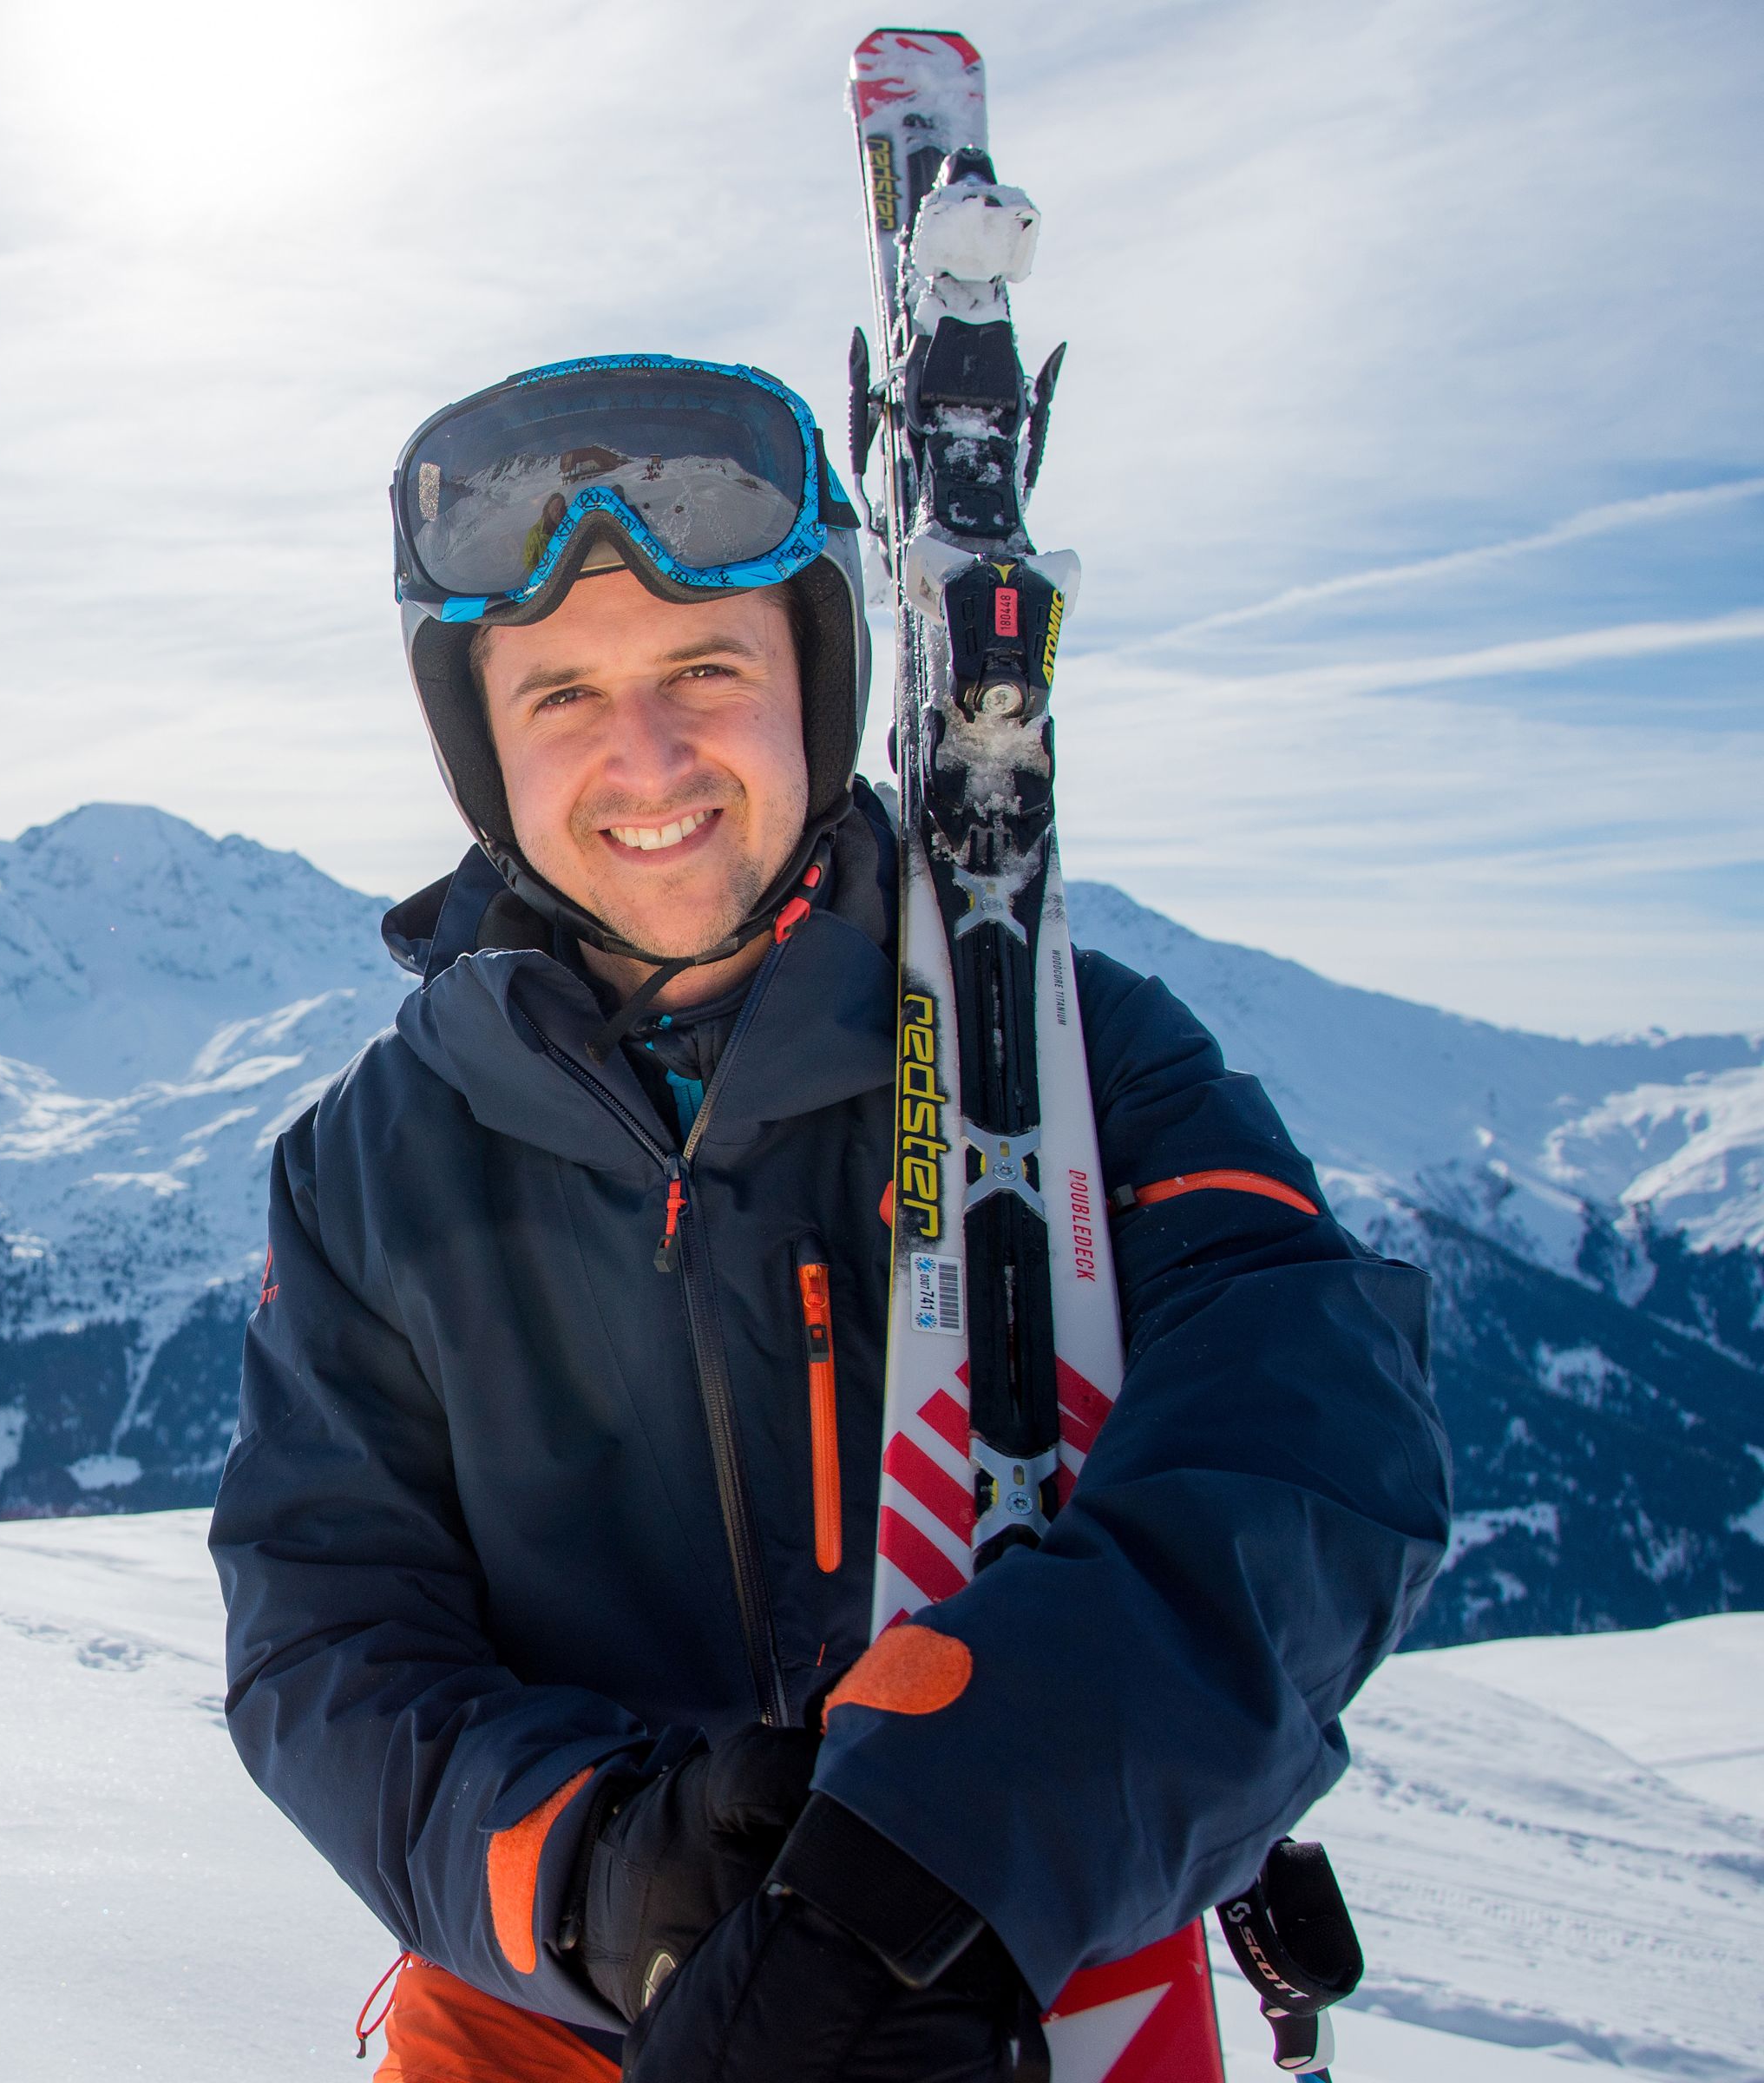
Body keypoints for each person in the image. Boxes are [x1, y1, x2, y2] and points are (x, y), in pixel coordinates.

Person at [209, 355, 1449, 2082]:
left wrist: (954, 1843)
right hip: (552, 2001)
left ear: (817, 680)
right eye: (560, 693)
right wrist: (600, 1877)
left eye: (704, 667)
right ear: (479, 749)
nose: (645, 757)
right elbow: (322, 1631)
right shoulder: (372, 1163)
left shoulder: (1080, 1066)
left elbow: (1312, 1445)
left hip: (1025, 1949)